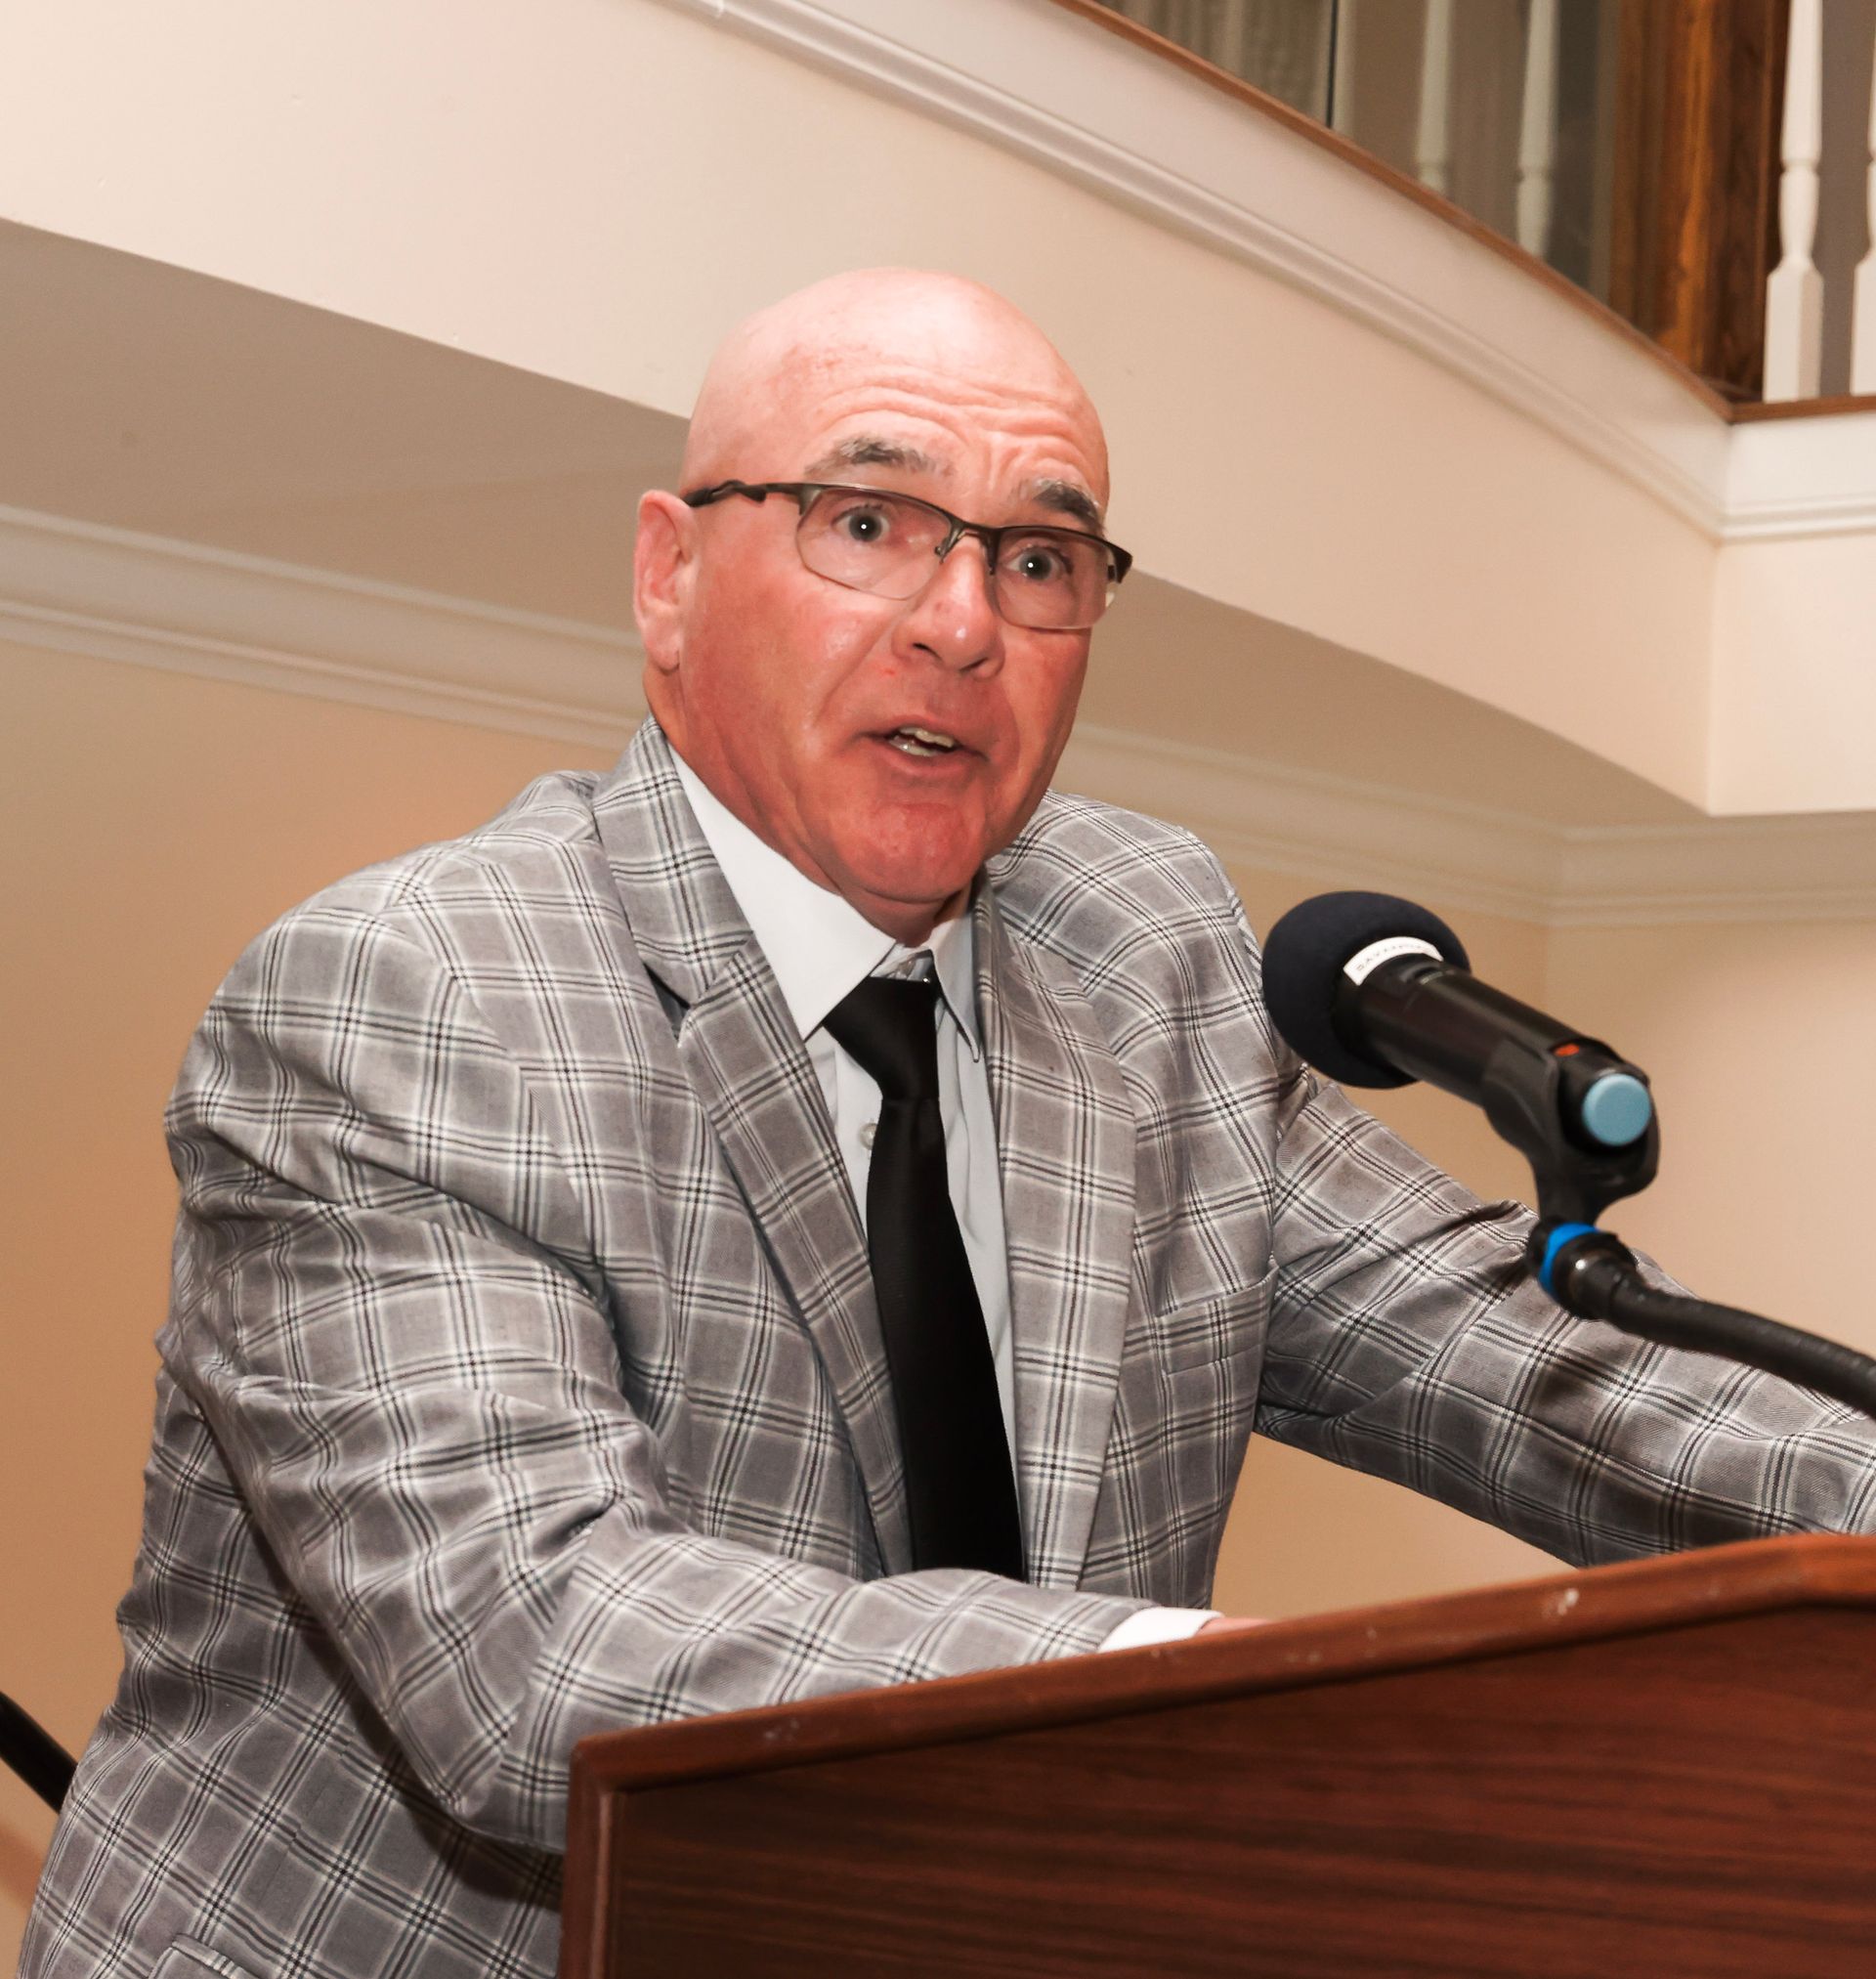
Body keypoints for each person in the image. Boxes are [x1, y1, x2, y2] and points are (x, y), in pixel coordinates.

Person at [23, 271, 1876, 1979]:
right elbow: (535, 1648)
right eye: (868, 522)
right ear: (670, 576)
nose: (964, 622)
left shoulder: (1137, 950)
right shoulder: (411, 992)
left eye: (1043, 558)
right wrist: (1206, 1697)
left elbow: (1525, 1355)